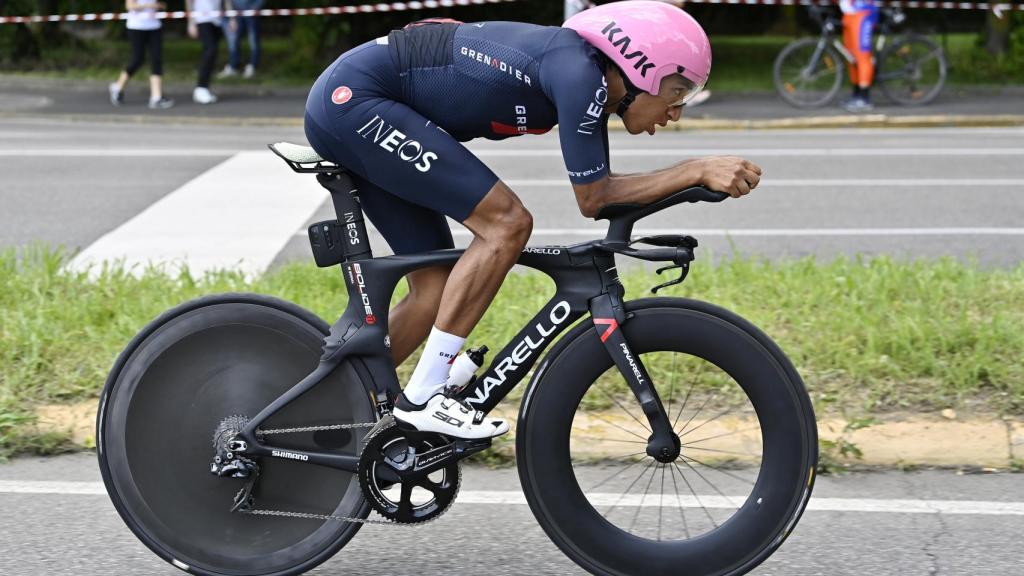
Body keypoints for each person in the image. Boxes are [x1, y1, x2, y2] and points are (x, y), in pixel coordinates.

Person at [303, 0, 761, 439]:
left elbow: (599, 197)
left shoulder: (588, 80)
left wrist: (690, 184)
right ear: (641, 67)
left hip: (356, 102)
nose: (678, 111)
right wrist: (695, 170)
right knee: (507, 225)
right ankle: (423, 398)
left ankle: (327, 416)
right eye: (678, 91)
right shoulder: (580, 75)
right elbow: (595, 197)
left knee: (435, 288)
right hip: (356, 101)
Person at [109, 0, 174, 109]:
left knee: (156, 59)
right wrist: (149, 5)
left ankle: (156, 97)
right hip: (136, 26)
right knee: (137, 59)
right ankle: (118, 87)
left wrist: (159, 6)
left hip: (154, 26)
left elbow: (163, 5)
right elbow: (129, 6)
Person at [840, 0, 879, 112]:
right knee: (851, 58)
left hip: (863, 12)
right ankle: (856, 95)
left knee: (862, 56)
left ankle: (864, 98)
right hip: (849, 14)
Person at [186, 0, 224, 104]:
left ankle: (204, 88)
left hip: (216, 20)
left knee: (212, 53)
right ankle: (201, 88)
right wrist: (191, 22)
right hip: (202, 18)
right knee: (210, 49)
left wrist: (232, 17)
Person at [219, 0, 264, 79]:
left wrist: (254, 9)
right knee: (234, 40)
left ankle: (252, 66)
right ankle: (233, 66)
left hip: (252, 14)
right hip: (236, 14)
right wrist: (232, 14)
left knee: (253, 41)